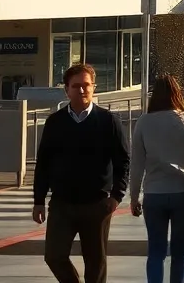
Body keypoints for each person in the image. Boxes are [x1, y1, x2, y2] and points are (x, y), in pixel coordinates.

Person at [33, 63, 130, 283]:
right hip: (62, 203)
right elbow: (44, 162)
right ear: (66, 89)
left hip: (97, 204)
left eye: (87, 85)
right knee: (54, 256)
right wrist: (38, 199)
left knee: (95, 262)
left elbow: (123, 160)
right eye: (76, 86)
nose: (82, 90)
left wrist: (117, 196)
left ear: (94, 87)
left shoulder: (108, 121)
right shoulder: (55, 122)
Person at [130, 75, 184, 283]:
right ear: (177, 94)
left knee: (156, 252)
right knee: (180, 251)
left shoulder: (143, 122)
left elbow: (137, 164)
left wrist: (133, 197)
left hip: (154, 194)